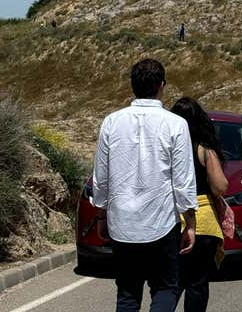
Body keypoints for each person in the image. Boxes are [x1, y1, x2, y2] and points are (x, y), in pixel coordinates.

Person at [92, 59, 197, 312]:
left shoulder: (111, 122)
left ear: (132, 86)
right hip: (161, 223)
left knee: (127, 294)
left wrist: (101, 216)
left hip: (123, 224)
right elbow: (182, 180)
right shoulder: (175, 124)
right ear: (162, 85)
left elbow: (101, 176)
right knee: (165, 288)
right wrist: (190, 222)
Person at [171, 98, 229, 312]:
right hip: (202, 220)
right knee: (197, 283)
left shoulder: (168, 148)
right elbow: (220, 186)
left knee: (172, 282)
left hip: (172, 219)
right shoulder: (204, 150)